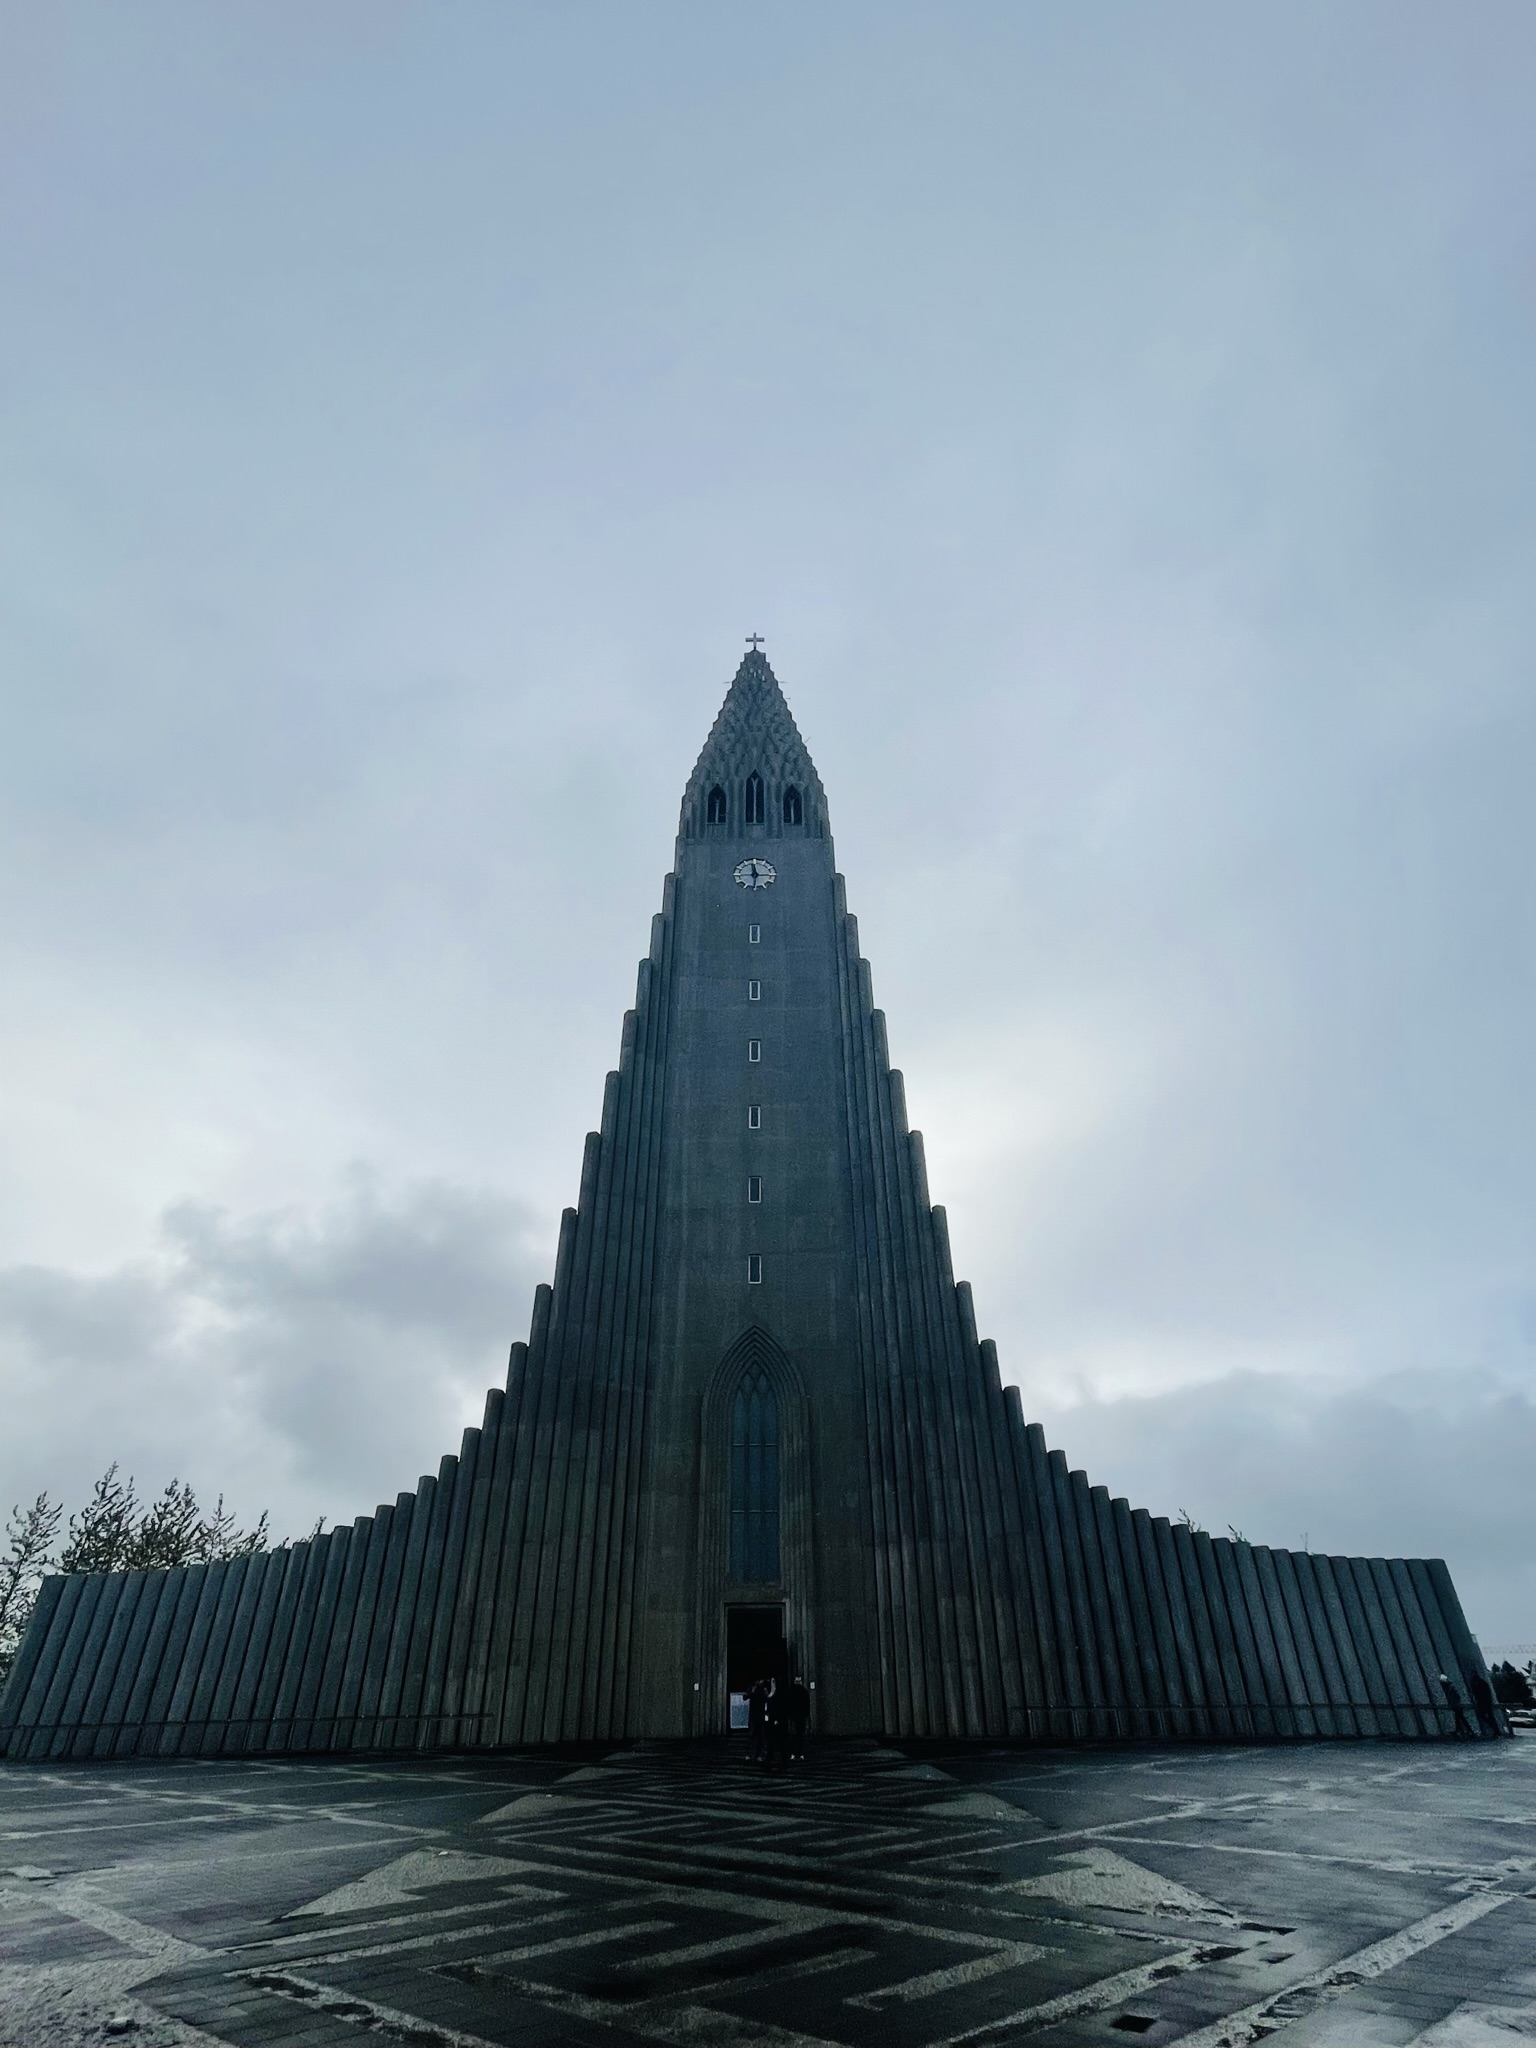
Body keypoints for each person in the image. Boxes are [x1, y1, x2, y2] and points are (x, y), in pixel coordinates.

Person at [1439, 1672, 1475, 1738]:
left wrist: (1455, 1703)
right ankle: (1463, 1731)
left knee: (1460, 1718)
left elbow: (1456, 1697)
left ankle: (1466, 1731)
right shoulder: (1450, 1689)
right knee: (1459, 1719)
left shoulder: (1450, 1689)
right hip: (1456, 1706)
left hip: (1457, 1706)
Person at [787, 1673, 811, 1762]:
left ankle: (794, 1753)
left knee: (794, 1735)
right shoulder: (804, 1691)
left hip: (795, 1716)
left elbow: (788, 1703)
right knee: (800, 1735)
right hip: (800, 1716)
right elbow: (807, 1704)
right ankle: (800, 1754)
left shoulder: (791, 1690)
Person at [746, 1677, 769, 1763]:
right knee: (752, 1736)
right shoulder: (753, 1688)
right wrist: (752, 1691)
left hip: (760, 1715)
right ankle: (750, 1754)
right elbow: (745, 1696)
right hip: (754, 1715)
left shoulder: (763, 1689)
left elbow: (768, 1699)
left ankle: (758, 1755)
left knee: (760, 1736)